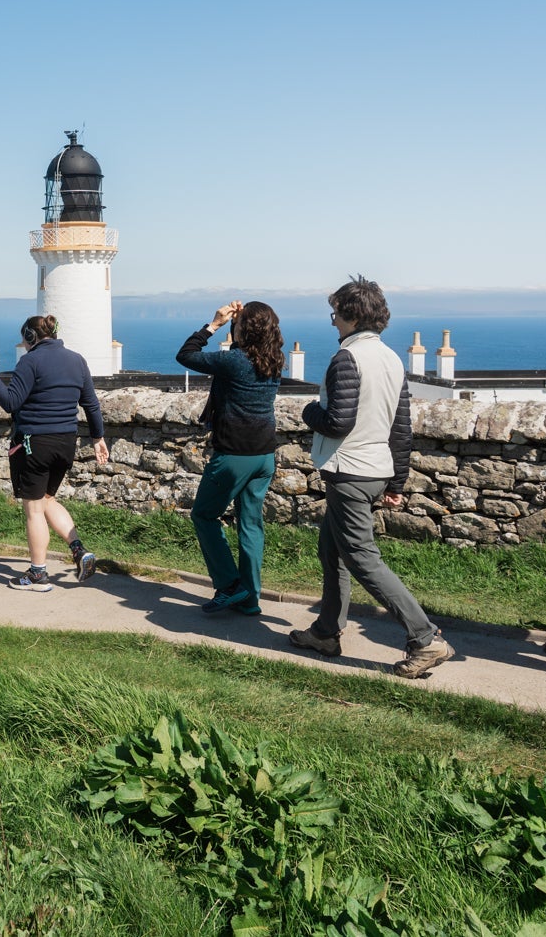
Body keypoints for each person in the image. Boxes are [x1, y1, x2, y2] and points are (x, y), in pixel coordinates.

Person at [289, 277, 453, 678]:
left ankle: (425, 637)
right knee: (332, 550)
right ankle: (326, 632)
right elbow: (401, 428)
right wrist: (397, 481)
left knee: (362, 557)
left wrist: (309, 410)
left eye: (335, 314)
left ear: (348, 315)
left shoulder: (347, 358)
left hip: (350, 471)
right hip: (376, 469)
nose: (332, 323)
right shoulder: (393, 359)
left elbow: (337, 421)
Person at [0, 315, 109, 590]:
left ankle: (38, 574)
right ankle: (78, 550)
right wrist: (98, 438)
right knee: (47, 499)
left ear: (30, 337)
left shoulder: (30, 361)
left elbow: (11, 401)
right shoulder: (78, 360)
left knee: (33, 509)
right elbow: (91, 404)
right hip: (66, 442)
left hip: (34, 442)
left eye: (24, 339)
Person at [176, 300, 282, 615]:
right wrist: (239, 325)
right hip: (264, 454)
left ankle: (230, 585)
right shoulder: (273, 360)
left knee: (204, 515)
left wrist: (215, 323)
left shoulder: (234, 361)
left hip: (235, 454)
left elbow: (185, 356)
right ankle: (249, 598)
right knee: (250, 522)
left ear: (242, 329)